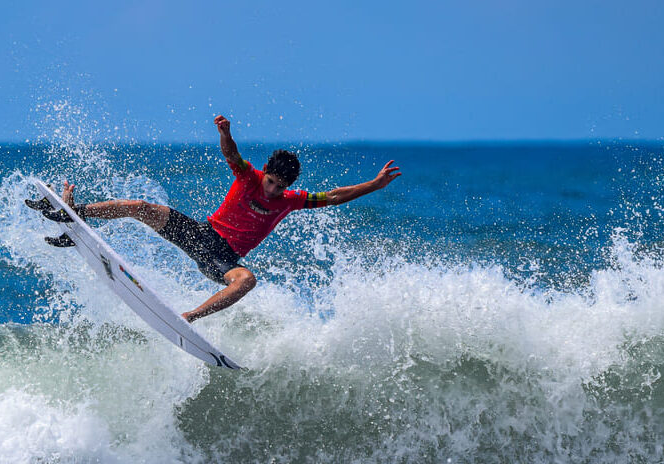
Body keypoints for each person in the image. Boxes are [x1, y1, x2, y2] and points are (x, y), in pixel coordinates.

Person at [29, 115, 401, 322]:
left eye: (279, 186)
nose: (271, 191)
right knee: (142, 207)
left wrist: (375, 184)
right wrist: (225, 133)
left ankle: (191, 315)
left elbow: (335, 196)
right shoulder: (248, 177)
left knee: (247, 279)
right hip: (199, 235)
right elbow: (232, 154)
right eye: (270, 182)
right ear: (266, 172)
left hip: (221, 258)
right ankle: (75, 215)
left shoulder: (291, 200)